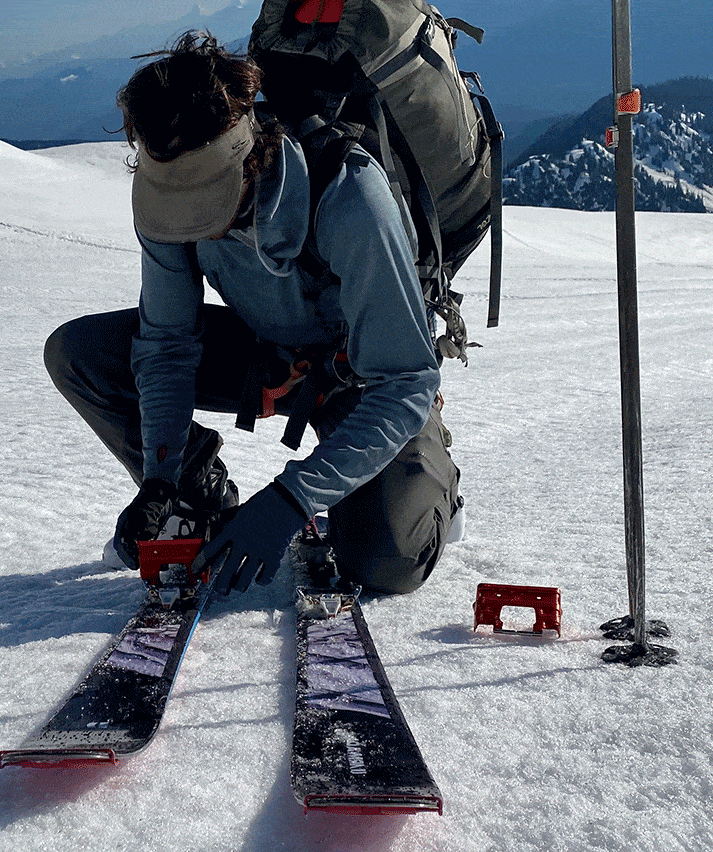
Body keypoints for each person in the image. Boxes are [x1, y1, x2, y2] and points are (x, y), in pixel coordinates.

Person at [44, 31, 461, 596]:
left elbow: (405, 382)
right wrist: (162, 477)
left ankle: (433, 491)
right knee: (80, 355)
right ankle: (198, 496)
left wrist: (292, 499)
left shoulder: (350, 197)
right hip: (268, 358)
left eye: (204, 205)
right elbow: (166, 345)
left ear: (248, 160)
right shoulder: (169, 193)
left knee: (387, 560)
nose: (191, 224)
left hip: (361, 378)